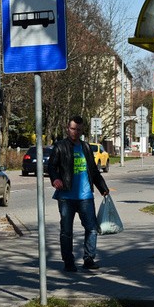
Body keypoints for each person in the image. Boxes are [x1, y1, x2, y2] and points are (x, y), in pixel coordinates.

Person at [48, 116, 109, 272]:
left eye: (79, 129)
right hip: (66, 197)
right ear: (68, 129)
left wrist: (103, 188)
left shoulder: (86, 148)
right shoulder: (60, 147)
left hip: (86, 197)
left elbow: (94, 171)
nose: (76, 132)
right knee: (67, 231)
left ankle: (89, 259)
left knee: (92, 228)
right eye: (73, 129)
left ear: (82, 131)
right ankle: (68, 262)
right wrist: (55, 179)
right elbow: (52, 167)